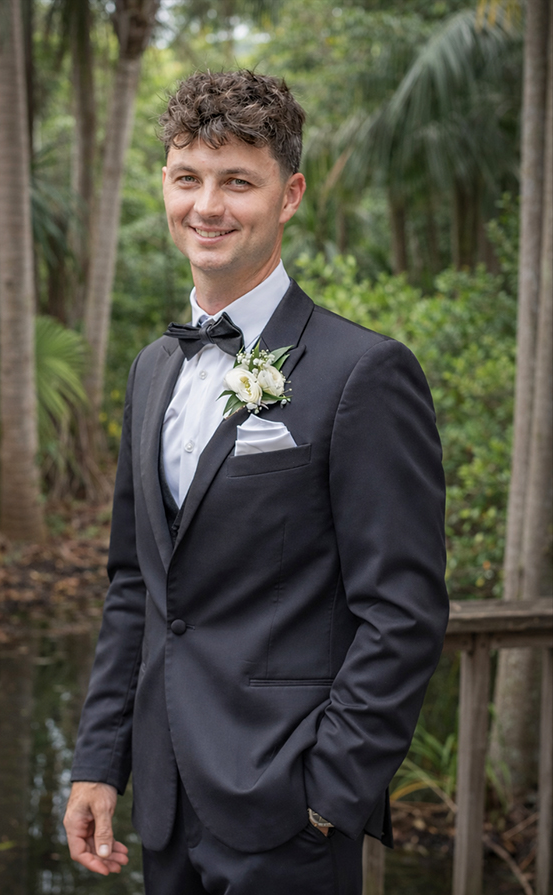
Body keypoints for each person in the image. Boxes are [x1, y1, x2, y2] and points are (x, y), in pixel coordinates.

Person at [62, 70, 448, 894]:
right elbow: (136, 586)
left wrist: (327, 796)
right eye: (188, 178)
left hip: (288, 813)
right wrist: (99, 761)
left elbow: (404, 613)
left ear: (289, 195)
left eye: (237, 181)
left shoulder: (364, 372)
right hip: (165, 801)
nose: (207, 206)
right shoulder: (152, 368)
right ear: (164, 185)